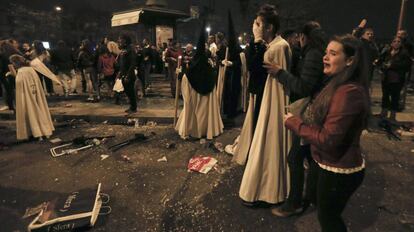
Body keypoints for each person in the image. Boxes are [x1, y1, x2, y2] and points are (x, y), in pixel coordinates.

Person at [284, 34, 370, 232]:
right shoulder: (336, 83)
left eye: (332, 54)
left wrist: (293, 123)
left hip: (339, 169)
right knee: (316, 200)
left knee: (328, 218)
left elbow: (328, 139)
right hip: (325, 162)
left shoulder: (349, 92)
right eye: (326, 52)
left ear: (349, 61)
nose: (325, 57)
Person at [266, 21, 326, 217]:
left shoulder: (313, 55)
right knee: (311, 156)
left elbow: (303, 86)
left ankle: (295, 203)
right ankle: (315, 197)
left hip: (310, 113)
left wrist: (280, 73)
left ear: (303, 36)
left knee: (295, 157)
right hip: (315, 111)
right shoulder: (312, 52)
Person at [237, 4, 292, 206]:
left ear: (269, 27)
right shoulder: (269, 45)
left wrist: (258, 42)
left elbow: (258, 67)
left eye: (258, 24)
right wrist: (257, 42)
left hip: (272, 102)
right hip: (261, 97)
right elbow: (253, 67)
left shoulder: (280, 46)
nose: (255, 27)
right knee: (258, 141)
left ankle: (267, 188)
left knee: (268, 143)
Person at [175, 21, 223, 140]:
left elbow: (186, 96)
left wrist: (181, 75)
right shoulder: (211, 73)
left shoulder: (189, 73)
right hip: (206, 108)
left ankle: (193, 129)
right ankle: (207, 129)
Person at [10, 54, 55, 141]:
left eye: (13, 63)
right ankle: (45, 131)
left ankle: (37, 133)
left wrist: (13, 76)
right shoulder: (31, 69)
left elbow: (20, 84)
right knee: (40, 110)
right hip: (35, 94)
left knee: (32, 113)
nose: (13, 65)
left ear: (16, 62)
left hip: (28, 96)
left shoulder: (21, 72)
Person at [378, 36, 412, 120]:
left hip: (397, 79)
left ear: (401, 43)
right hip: (386, 78)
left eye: (398, 41)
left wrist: (392, 65)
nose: (396, 43)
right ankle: (383, 113)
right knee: (385, 96)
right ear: (391, 43)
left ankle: (392, 116)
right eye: (394, 41)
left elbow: (407, 66)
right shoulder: (387, 52)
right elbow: (381, 61)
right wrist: (381, 67)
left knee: (395, 97)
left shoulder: (404, 53)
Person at [117, 34, 137, 113]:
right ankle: (132, 106)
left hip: (129, 75)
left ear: (125, 40)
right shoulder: (123, 50)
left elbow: (132, 63)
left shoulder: (130, 49)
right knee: (127, 91)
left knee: (130, 91)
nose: (119, 41)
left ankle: (133, 108)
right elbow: (122, 63)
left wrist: (128, 75)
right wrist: (120, 72)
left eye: (120, 39)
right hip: (123, 74)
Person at [0, 40, 20, 112]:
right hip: (16, 71)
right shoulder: (15, 51)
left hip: (5, 73)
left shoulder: (2, 53)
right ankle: (19, 105)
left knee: (9, 90)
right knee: (15, 89)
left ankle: (11, 107)